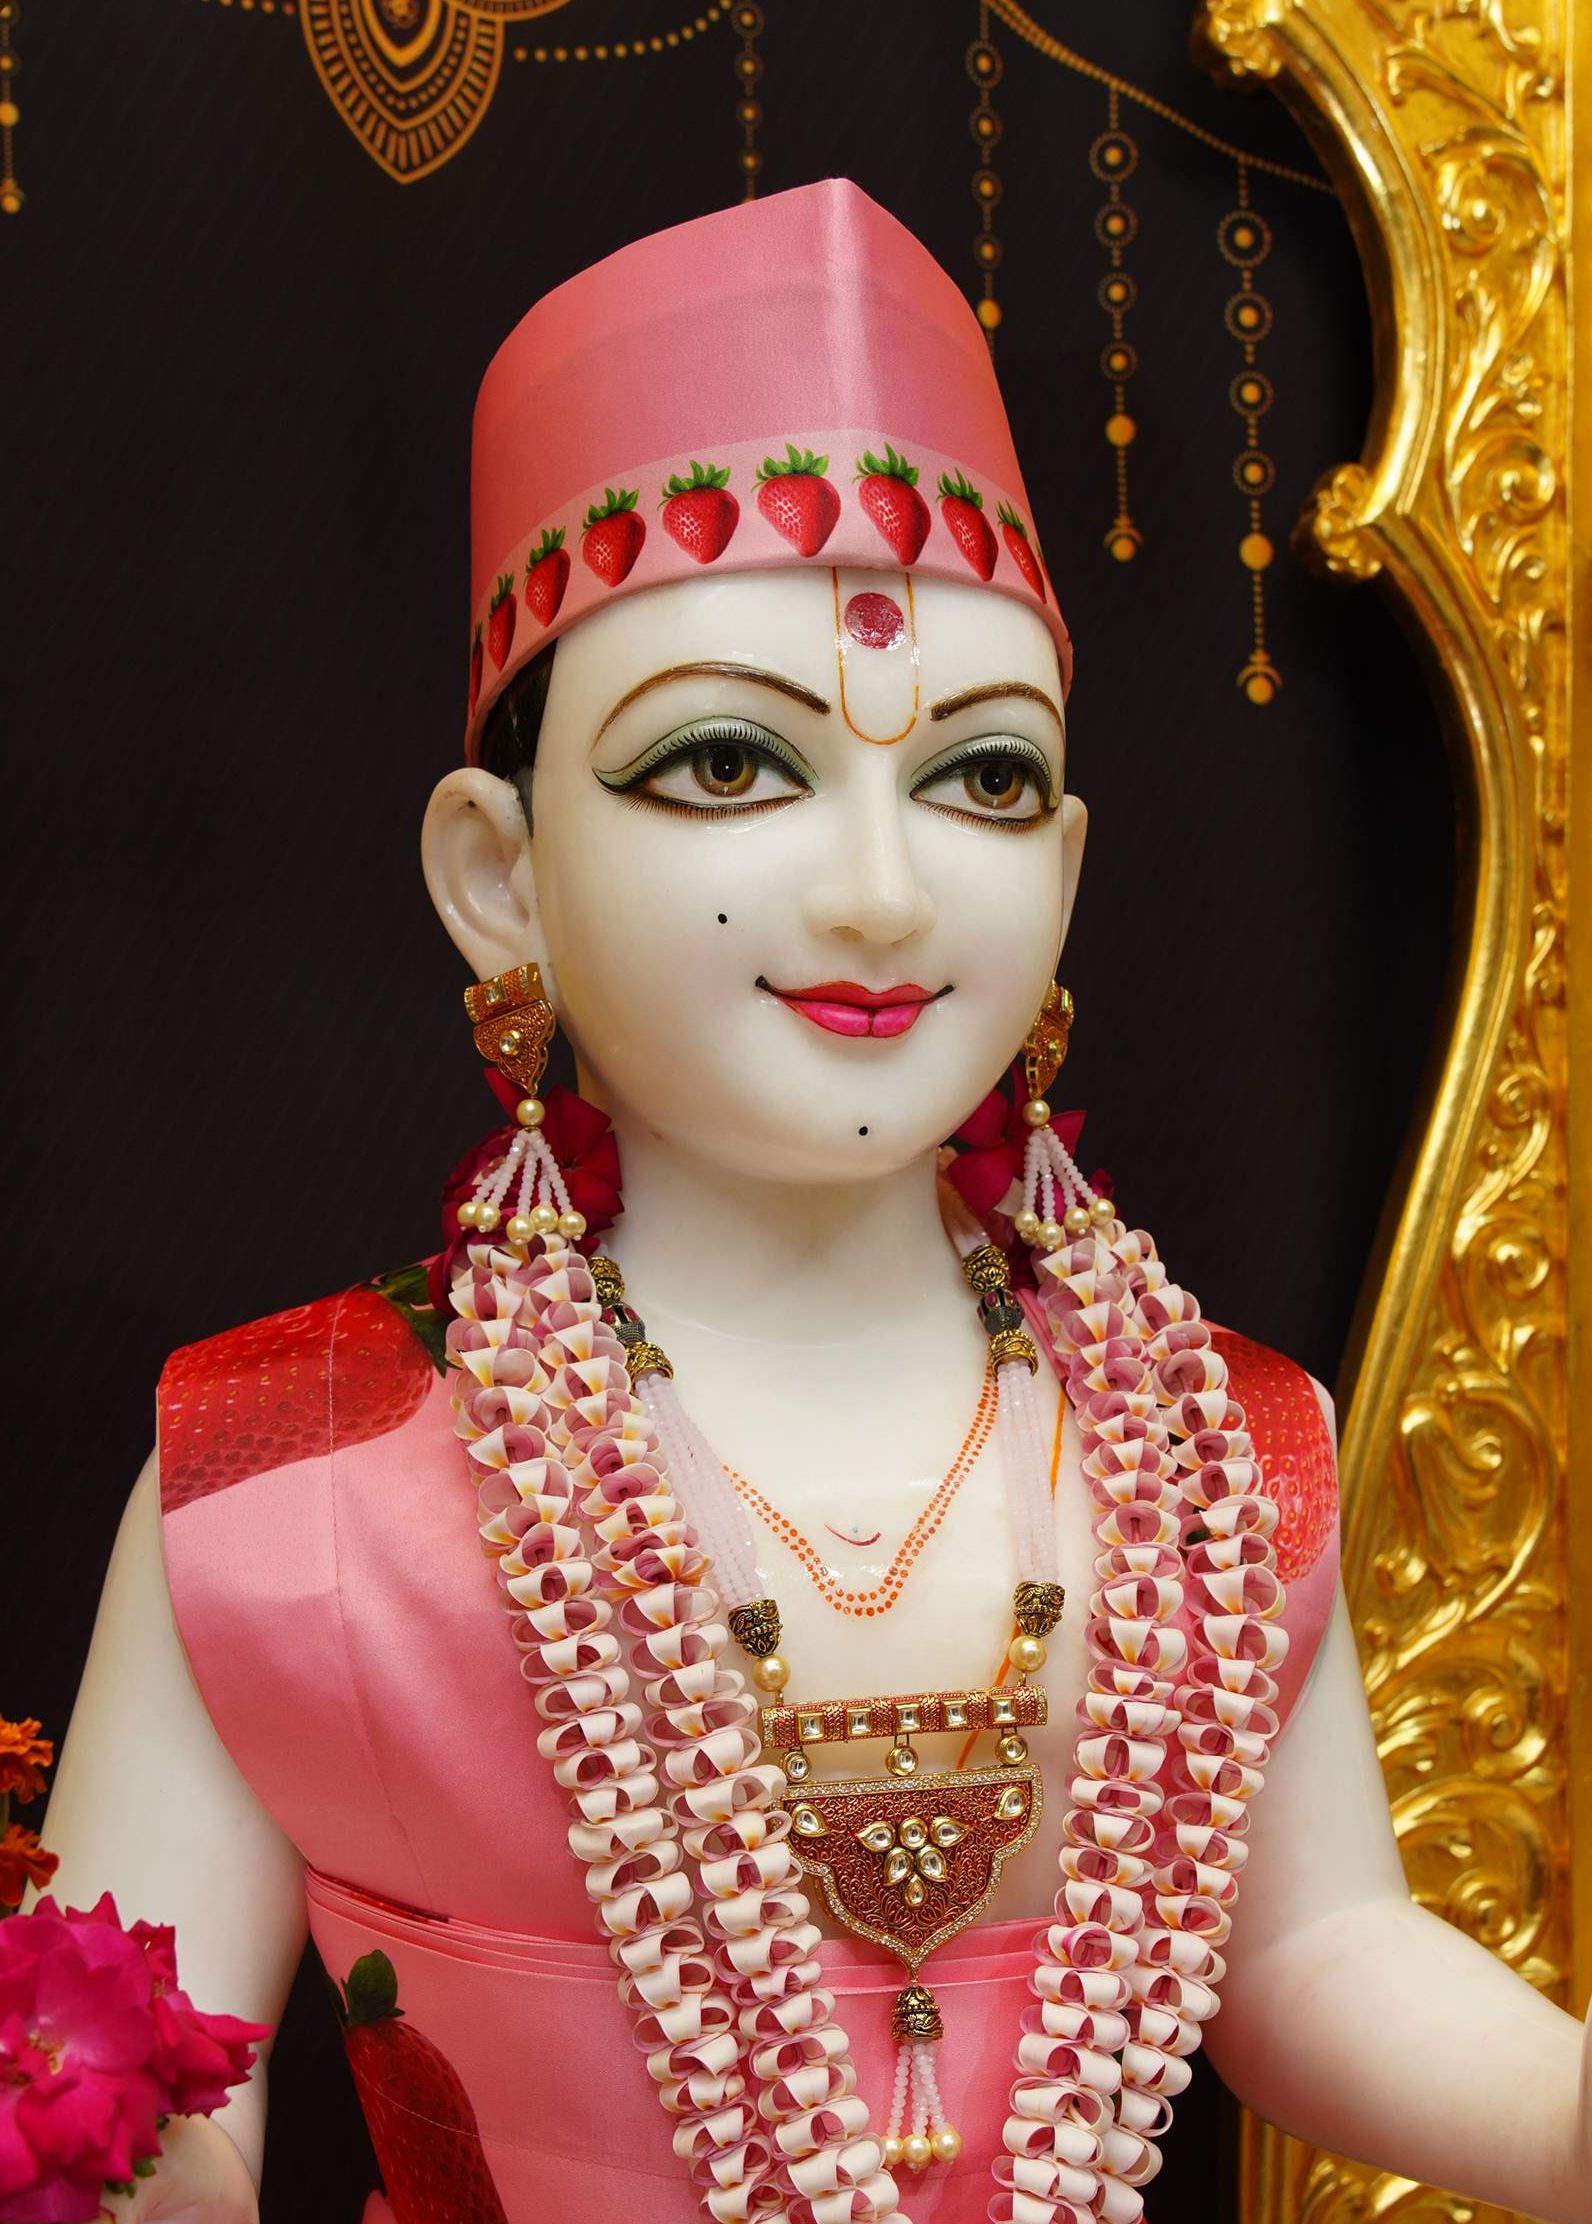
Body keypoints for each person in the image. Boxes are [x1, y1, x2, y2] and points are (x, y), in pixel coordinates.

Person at [34, 180, 1587, 2224]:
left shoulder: (1215, 1458)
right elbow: (117, 2069)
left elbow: (1310, 1958)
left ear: (1072, 855)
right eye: (725, 766)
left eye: (982, 777)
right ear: (498, 872)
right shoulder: (286, 1482)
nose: (880, 884)